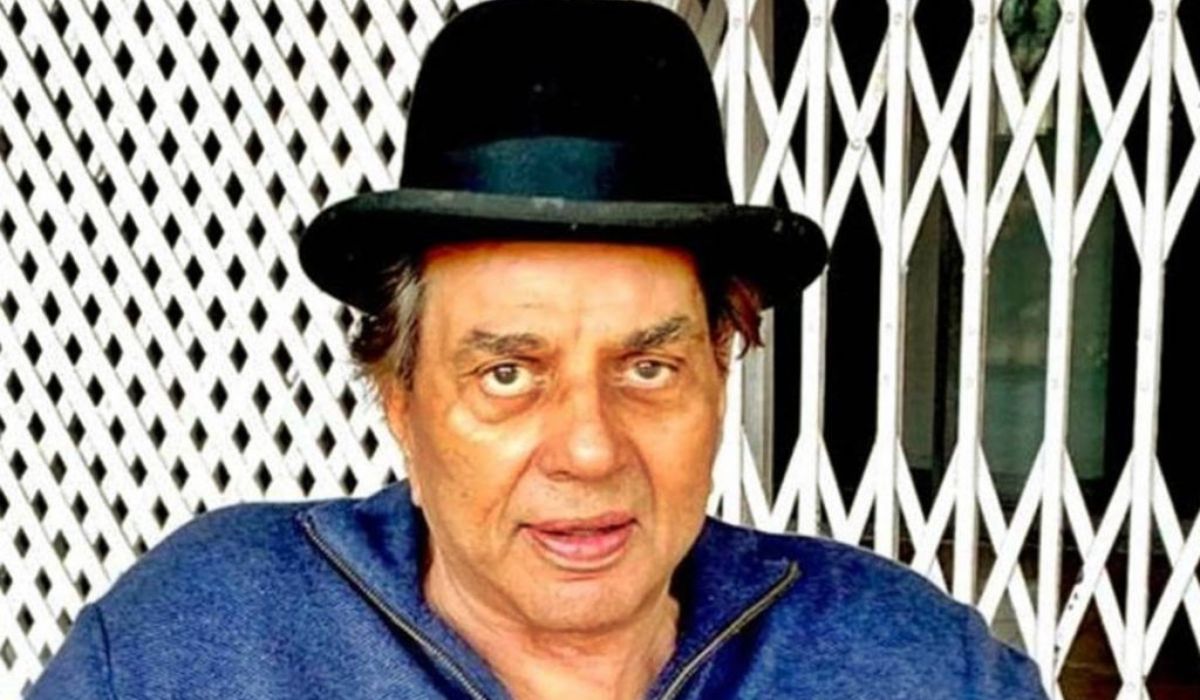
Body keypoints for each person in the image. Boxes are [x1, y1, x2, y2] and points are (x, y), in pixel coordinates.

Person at [29, 0, 1046, 698]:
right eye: (508, 374)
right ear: (399, 397)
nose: (590, 449)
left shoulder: (914, 664)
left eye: (648, 368)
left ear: (720, 369)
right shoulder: (192, 644)